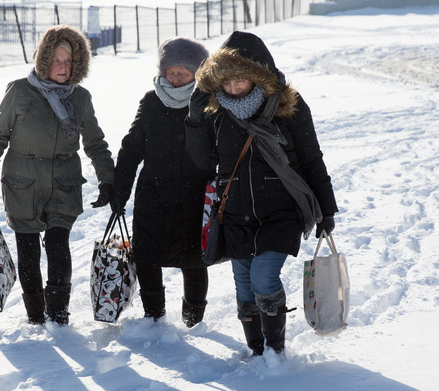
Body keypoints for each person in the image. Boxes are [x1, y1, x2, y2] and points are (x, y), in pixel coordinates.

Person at [185, 31, 338, 357]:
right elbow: (203, 162)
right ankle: (257, 353)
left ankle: (275, 352)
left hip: (281, 212)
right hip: (235, 213)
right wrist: (195, 119)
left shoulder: (287, 107)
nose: (233, 87)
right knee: (243, 285)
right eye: (226, 81)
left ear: (258, 75)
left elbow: (312, 158)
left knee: (263, 277)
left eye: (241, 79)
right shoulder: (218, 114)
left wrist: (327, 210)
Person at [0, 25, 115, 326]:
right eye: (57, 60)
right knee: (27, 251)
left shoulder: (80, 98)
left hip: (63, 182)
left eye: (69, 61)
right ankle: (36, 315)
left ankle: (59, 313)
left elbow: (95, 144)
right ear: (44, 60)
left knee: (57, 244)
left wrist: (107, 180)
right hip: (22, 183)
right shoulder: (19, 91)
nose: (63, 67)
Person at [113, 37, 211, 327]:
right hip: (153, 194)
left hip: (194, 197)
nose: (176, 76)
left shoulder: (209, 103)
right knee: (146, 256)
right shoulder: (151, 100)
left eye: (184, 71)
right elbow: (131, 148)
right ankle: (154, 318)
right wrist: (120, 190)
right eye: (171, 71)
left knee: (193, 261)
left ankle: (193, 322)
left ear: (198, 72)